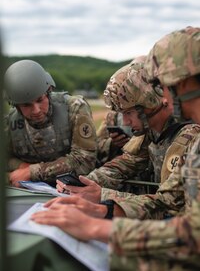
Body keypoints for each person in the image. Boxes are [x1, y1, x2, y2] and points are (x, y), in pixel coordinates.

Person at [32, 26, 200, 270]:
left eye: (162, 85)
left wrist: (98, 224)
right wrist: (101, 204)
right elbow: (162, 200)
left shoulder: (190, 138)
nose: (162, 95)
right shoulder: (161, 138)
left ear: (181, 83)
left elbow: (182, 221)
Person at [56, 57, 200, 210]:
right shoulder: (150, 131)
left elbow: (170, 204)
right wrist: (85, 182)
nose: (125, 122)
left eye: (129, 113)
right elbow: (125, 164)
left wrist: (102, 195)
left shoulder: (190, 136)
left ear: (149, 103)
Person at [4, 59, 97, 187]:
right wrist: (21, 166)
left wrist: (31, 171)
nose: (36, 110)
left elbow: (85, 161)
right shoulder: (9, 122)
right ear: (16, 106)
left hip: (71, 189)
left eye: (40, 100)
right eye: (26, 105)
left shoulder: (74, 107)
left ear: (49, 90)